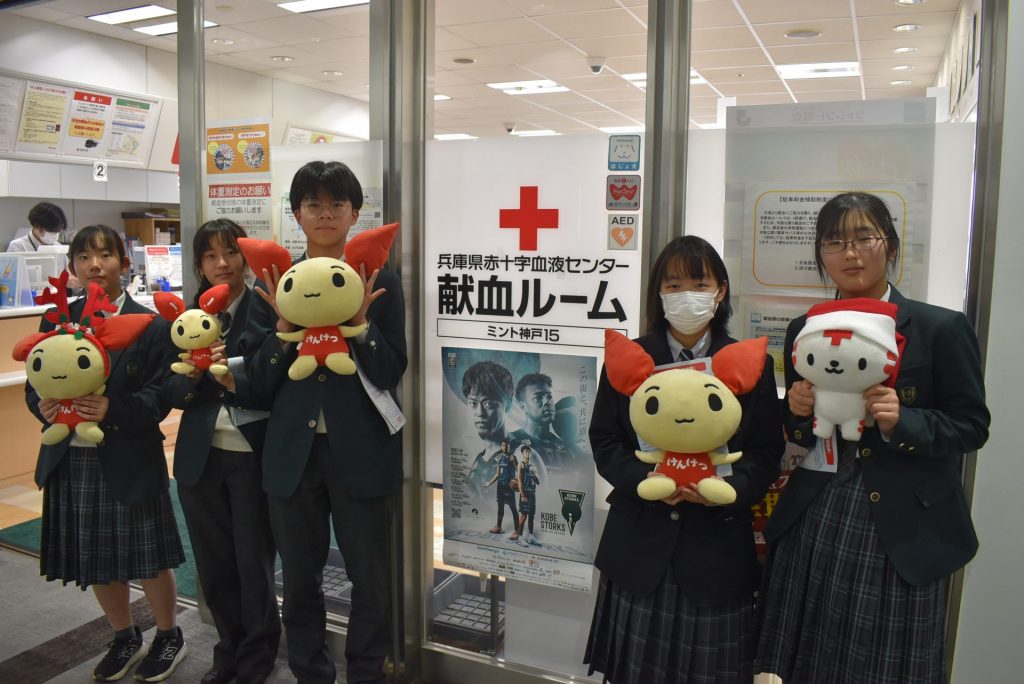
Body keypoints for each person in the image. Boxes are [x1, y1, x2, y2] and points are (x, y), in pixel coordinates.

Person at [754, 191, 991, 683]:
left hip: (901, 525)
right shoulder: (804, 327)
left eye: (865, 238)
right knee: (805, 656)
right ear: (821, 255)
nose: (851, 253)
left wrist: (902, 420)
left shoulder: (939, 328)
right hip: (816, 512)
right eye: (834, 242)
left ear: (891, 246)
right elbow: (799, 430)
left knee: (879, 664)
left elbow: (971, 426)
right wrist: (795, 409)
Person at [584, 235, 783, 684]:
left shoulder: (747, 361)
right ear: (658, 292)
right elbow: (605, 440)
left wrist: (728, 491)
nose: (685, 295)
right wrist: (646, 480)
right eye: (673, 285)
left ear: (720, 291)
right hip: (640, 545)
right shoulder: (631, 357)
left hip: (717, 549)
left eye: (699, 284)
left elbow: (766, 451)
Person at [248, 161, 406, 684]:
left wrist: (361, 326)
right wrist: (282, 330)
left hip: (361, 449)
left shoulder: (378, 277)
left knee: (371, 579)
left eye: (337, 204)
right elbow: (257, 380)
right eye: (313, 204)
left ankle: (366, 674)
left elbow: (392, 369)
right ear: (296, 214)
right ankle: (310, 673)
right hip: (291, 454)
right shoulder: (274, 281)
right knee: (298, 580)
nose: (325, 214)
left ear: (355, 213)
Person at [24, 224, 187, 682]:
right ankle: (124, 636)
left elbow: (162, 395)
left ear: (124, 262)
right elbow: (35, 382)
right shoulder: (56, 319)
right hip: (70, 457)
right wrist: (43, 407)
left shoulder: (149, 323)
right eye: (84, 257)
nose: (95, 265)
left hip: (128, 453)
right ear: (72, 266)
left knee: (148, 556)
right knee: (96, 555)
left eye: (105, 255)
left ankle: (169, 634)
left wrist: (114, 409)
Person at [163, 219, 280, 684]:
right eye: (210, 256)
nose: (222, 263)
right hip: (200, 456)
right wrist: (191, 378)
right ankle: (228, 649)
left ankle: (256, 658)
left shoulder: (267, 307)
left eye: (230, 252)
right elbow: (169, 389)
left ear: (245, 258)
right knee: (213, 565)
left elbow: (275, 381)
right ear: (199, 265)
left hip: (252, 454)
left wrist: (231, 370)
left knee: (253, 563)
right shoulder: (186, 315)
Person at [461, 360, 515, 496]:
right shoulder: (479, 458)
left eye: (488, 403)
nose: (479, 413)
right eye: (473, 403)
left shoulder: (521, 454)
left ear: (507, 405)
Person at [508, 373, 578, 470]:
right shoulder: (511, 443)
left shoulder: (565, 447)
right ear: (522, 406)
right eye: (538, 397)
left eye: (549, 397)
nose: (547, 402)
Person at [482, 437, 519, 538]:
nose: (505, 447)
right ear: (501, 447)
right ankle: (498, 527)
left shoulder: (512, 457)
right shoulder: (499, 458)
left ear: (509, 447)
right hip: (500, 487)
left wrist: (519, 482)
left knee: (513, 509)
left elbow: (518, 470)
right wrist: (489, 483)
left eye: (507, 446)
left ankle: (517, 531)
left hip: (509, 487)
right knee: (500, 508)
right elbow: (497, 474)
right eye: (503, 446)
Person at [514, 443, 541, 548]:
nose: (528, 454)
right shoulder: (521, 465)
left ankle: (530, 537)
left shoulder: (533, 467)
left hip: (532, 494)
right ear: (522, 453)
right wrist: (522, 495)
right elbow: (520, 481)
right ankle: (519, 537)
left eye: (529, 452)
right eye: (526, 452)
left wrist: (533, 474)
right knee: (523, 516)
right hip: (525, 494)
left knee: (531, 516)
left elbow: (538, 482)